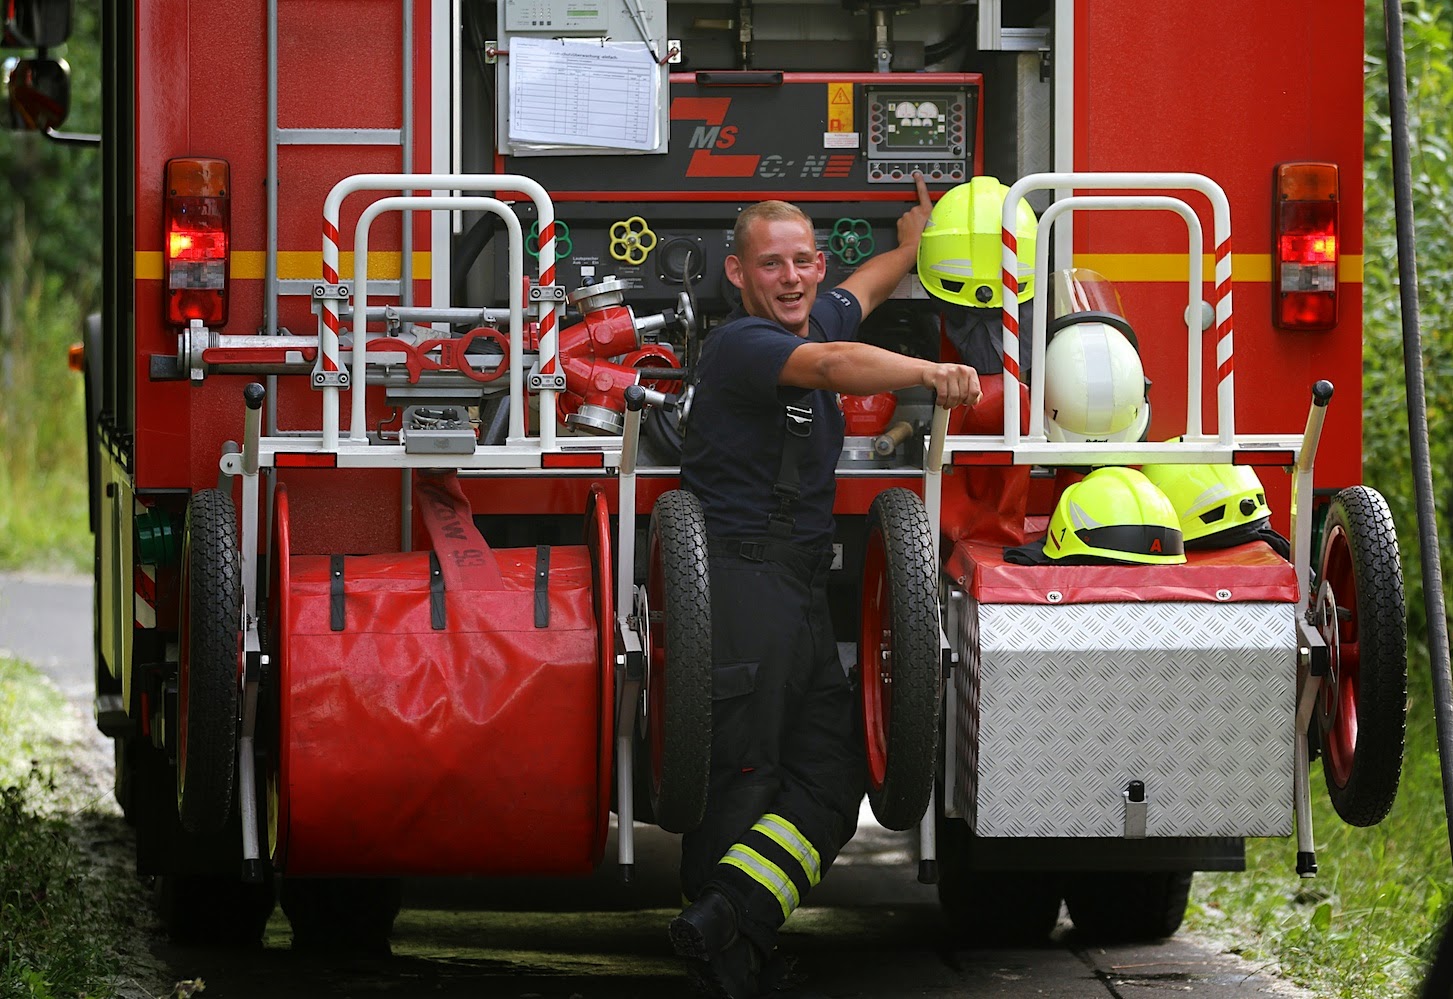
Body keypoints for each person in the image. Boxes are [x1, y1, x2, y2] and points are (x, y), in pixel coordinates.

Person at [669, 173, 980, 999]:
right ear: (738, 275)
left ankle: (730, 914)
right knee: (745, 777)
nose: (793, 277)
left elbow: (857, 293)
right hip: (741, 586)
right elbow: (838, 361)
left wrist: (913, 247)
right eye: (771, 264)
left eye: (802, 261)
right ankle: (724, 950)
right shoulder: (745, 344)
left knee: (835, 772)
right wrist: (930, 370)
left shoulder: (812, 304)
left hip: (799, 590)